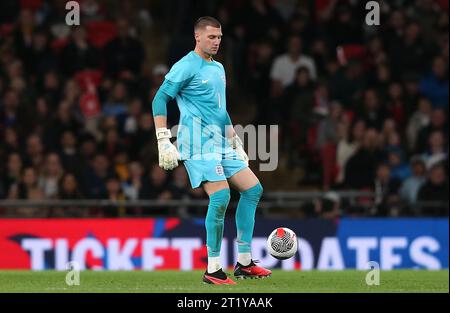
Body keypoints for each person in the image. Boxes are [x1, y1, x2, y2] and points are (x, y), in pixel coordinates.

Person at [151, 16, 270, 285]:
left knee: (253, 189)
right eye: (211, 37)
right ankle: (213, 268)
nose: (216, 42)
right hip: (197, 144)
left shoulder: (218, 68)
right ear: (198, 37)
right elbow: (160, 98)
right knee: (221, 197)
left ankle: (244, 261)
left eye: (219, 37)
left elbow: (219, 109)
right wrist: (163, 138)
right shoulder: (185, 65)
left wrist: (235, 141)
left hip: (219, 141)